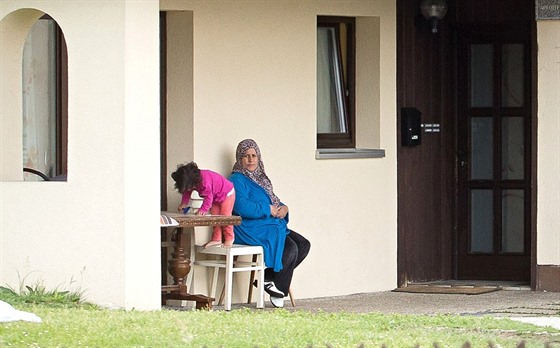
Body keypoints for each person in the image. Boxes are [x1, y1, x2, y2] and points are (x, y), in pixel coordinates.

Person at [229, 139, 310, 308]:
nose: (251, 159)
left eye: (254, 155)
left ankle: (268, 278)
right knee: (291, 248)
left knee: (303, 245)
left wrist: (284, 208)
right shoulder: (237, 179)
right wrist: (268, 209)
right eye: (246, 156)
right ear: (239, 159)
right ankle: (276, 287)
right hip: (249, 227)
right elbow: (241, 206)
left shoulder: (261, 178)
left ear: (259, 158)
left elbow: (274, 200)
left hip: (268, 225)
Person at [171, 162, 236, 248]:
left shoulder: (204, 182)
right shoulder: (191, 181)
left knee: (225, 217)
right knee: (215, 218)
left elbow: (208, 198)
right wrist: (184, 203)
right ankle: (217, 238)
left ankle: (229, 238)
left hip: (227, 193)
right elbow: (187, 192)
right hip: (216, 197)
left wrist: (202, 210)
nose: (190, 189)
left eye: (189, 187)